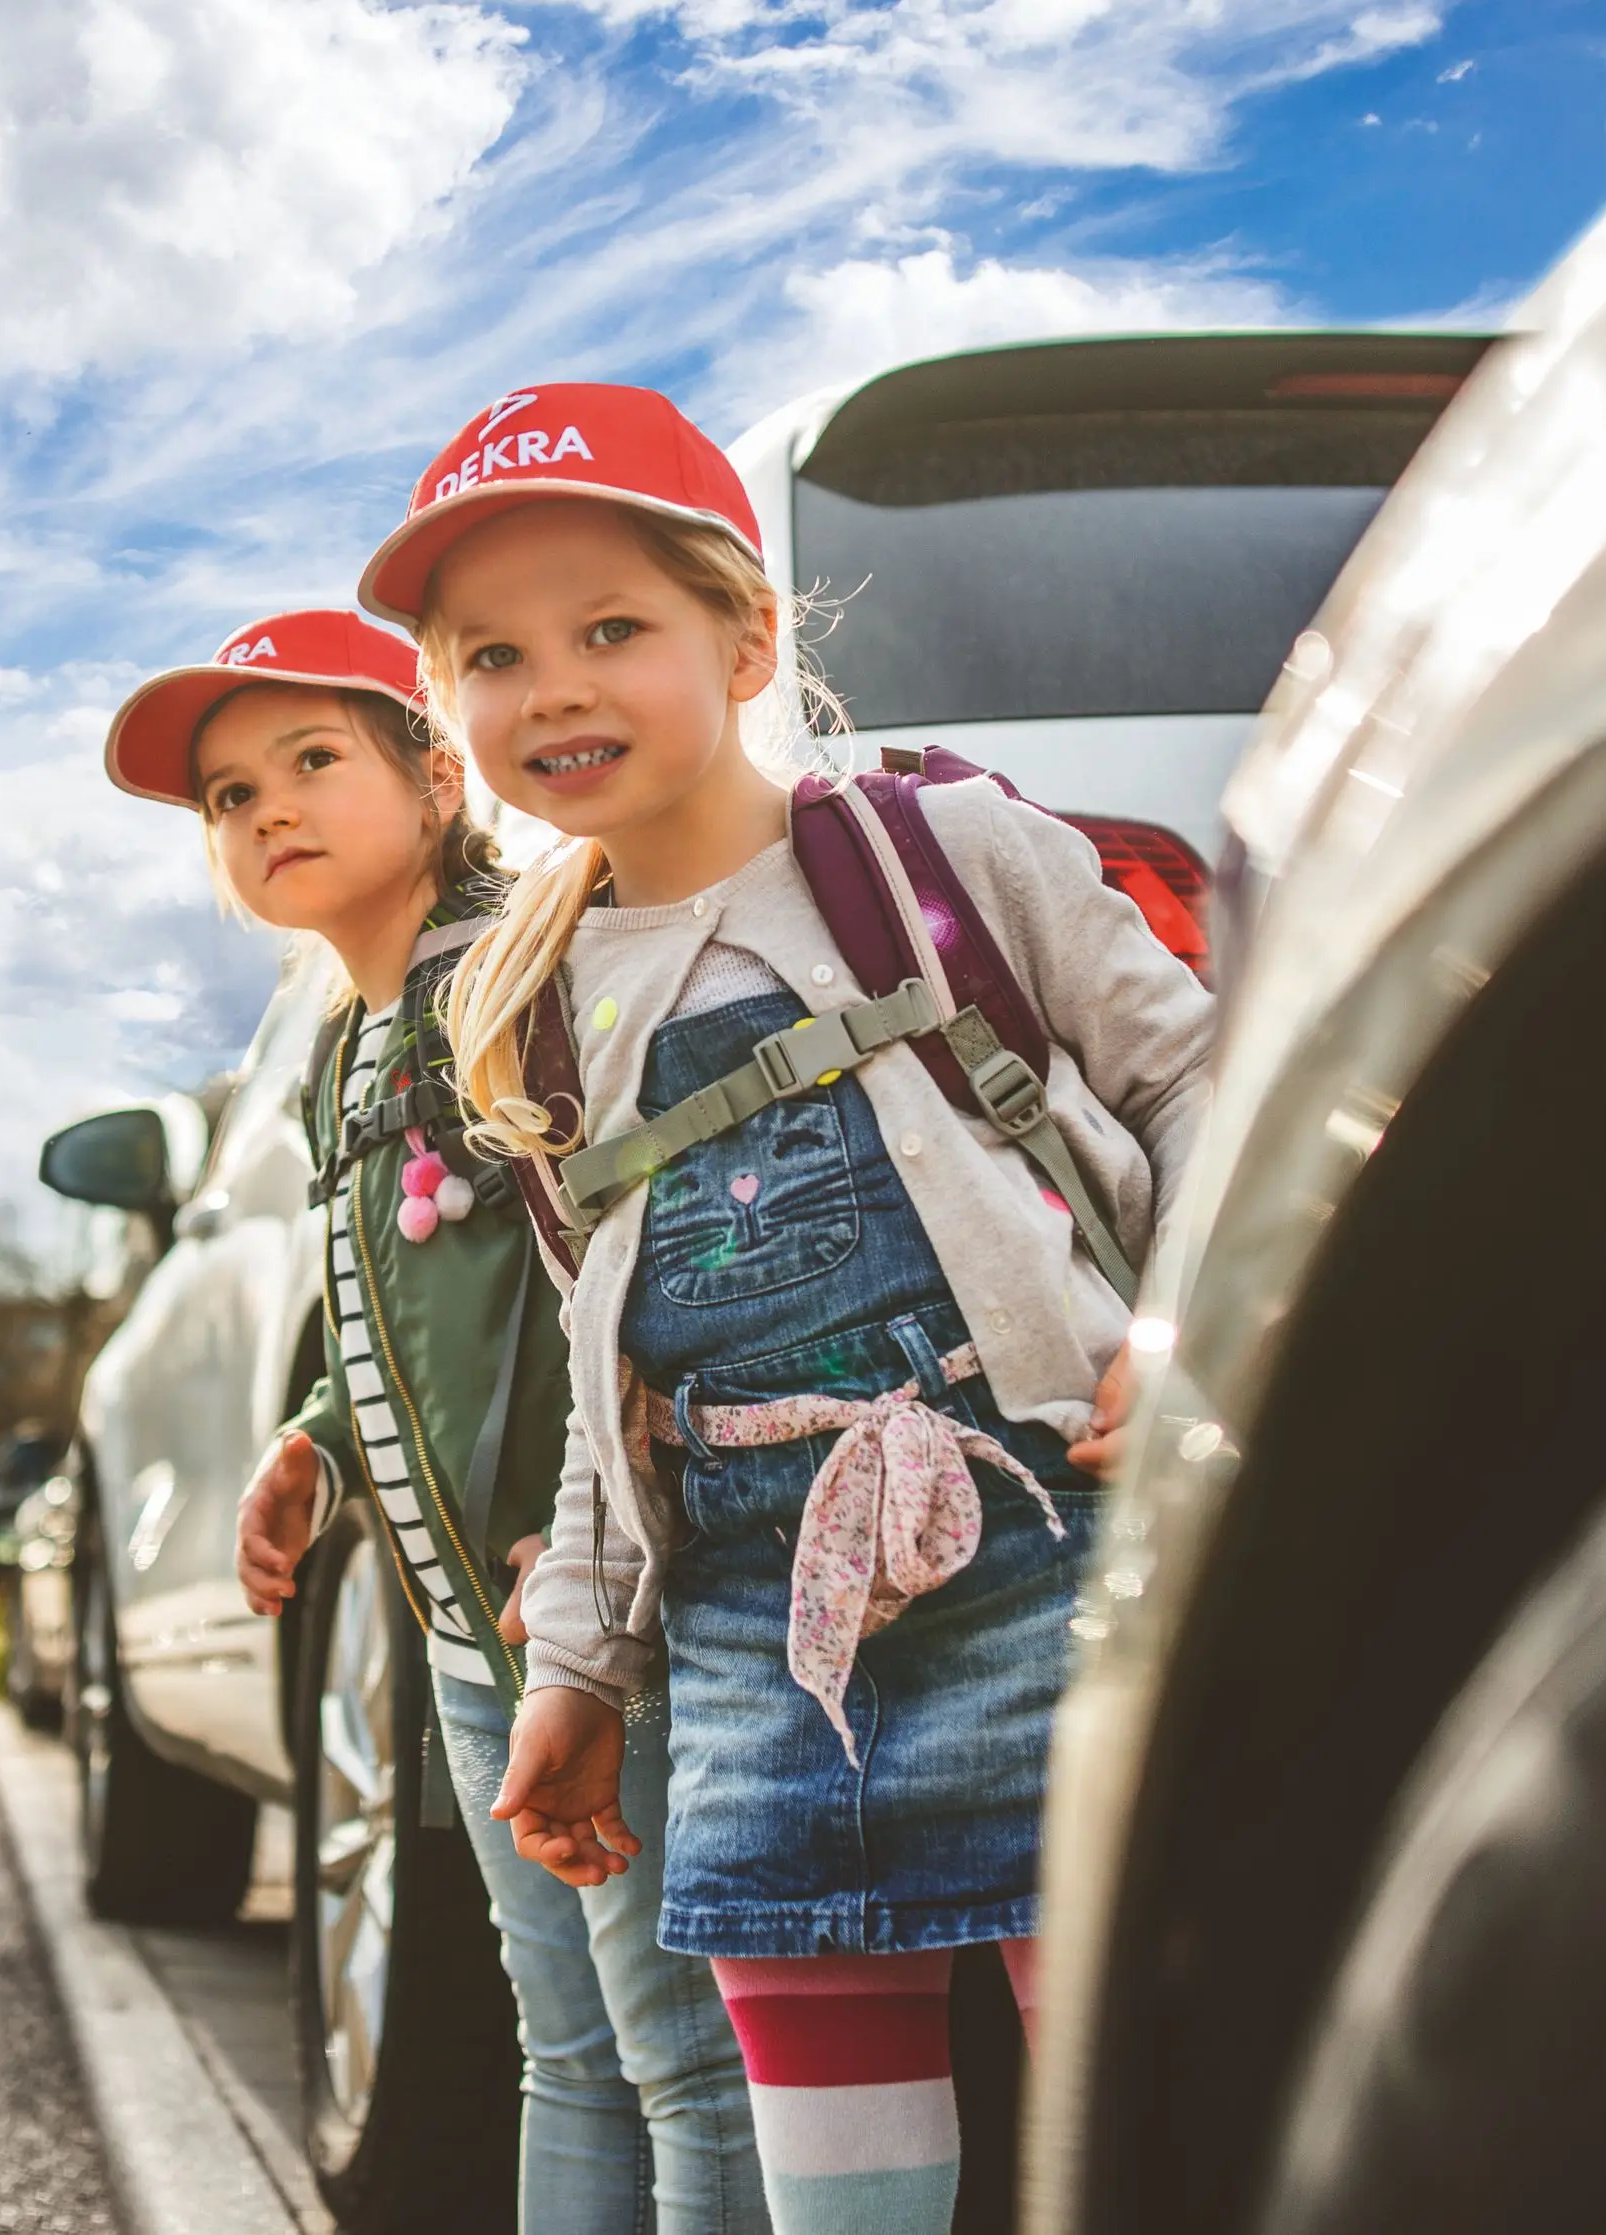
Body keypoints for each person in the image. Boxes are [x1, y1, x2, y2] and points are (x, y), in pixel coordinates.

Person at [356, 383, 1215, 2235]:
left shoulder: (942, 853)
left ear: (746, 639)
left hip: (1048, 1552)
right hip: (759, 1636)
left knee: (1132, 2125)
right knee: (835, 2183)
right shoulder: (534, 1002)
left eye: (611, 629)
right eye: (493, 656)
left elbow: (1203, 1083)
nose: (555, 688)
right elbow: (609, 1400)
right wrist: (578, 1668)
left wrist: (1195, 1331)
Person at [102, 605, 767, 2235]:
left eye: (312, 759)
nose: (269, 809)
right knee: (569, 2050)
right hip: (470, 1636)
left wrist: (588, 1571)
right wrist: (318, 1442)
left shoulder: (516, 972)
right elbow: (405, 1311)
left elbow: (604, 1279)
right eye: (230, 796)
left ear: (437, 777)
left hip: (589, 1613)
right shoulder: (347, 1039)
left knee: (682, 2055)